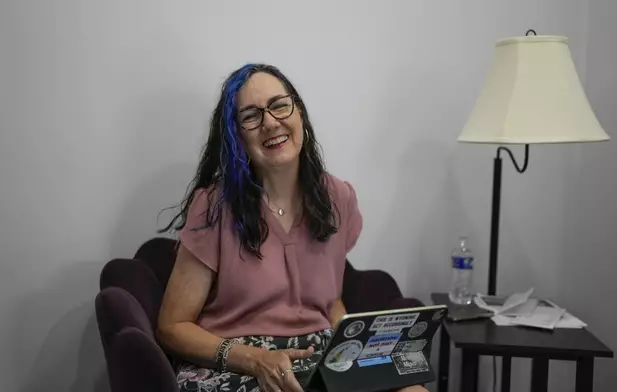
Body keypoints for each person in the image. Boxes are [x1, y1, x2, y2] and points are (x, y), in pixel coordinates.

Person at [157, 63, 429, 392]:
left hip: (319, 358)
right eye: (251, 116)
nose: (271, 122)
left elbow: (330, 304)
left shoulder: (337, 198)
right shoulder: (214, 206)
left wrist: (363, 352)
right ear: (236, 136)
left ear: (299, 112)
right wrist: (254, 359)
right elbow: (173, 326)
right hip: (236, 363)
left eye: (279, 105)